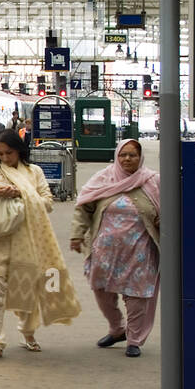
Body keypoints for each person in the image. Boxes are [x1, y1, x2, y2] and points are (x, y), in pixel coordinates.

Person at [0, 129, 81, 360]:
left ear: (19, 150)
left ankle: (27, 332)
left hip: (26, 240)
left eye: (9, 153)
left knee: (26, 293)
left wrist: (21, 194)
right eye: (0, 154)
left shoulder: (34, 172)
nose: (4, 158)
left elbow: (47, 202)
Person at [70, 139, 161, 358]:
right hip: (105, 251)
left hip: (140, 251)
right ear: (117, 156)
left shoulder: (153, 181)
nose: (127, 159)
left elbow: (170, 207)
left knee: (137, 296)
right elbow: (83, 207)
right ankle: (117, 328)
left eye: (132, 155)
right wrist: (77, 235)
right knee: (101, 290)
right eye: (123, 155)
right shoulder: (103, 179)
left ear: (141, 157)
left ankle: (134, 339)